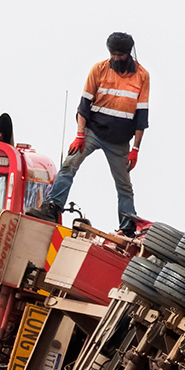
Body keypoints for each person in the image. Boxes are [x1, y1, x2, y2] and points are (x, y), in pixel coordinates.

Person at [35, 32, 150, 237]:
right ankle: (52, 207)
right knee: (69, 165)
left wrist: (136, 149)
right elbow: (84, 105)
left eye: (120, 55)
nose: (116, 58)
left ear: (128, 53)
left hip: (119, 141)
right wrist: (80, 134)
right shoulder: (99, 70)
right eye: (113, 54)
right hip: (92, 131)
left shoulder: (142, 76)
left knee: (124, 184)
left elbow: (141, 117)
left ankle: (127, 227)